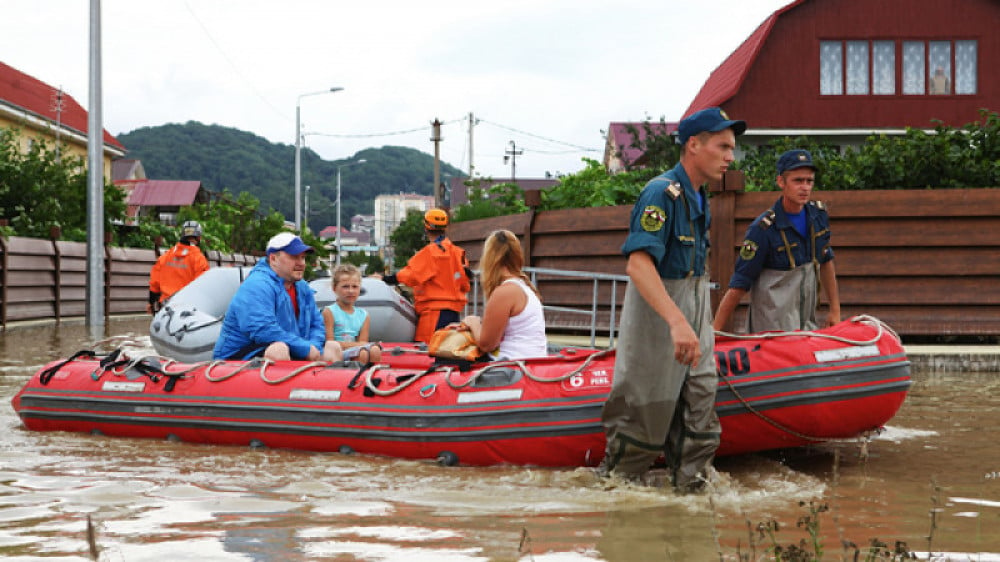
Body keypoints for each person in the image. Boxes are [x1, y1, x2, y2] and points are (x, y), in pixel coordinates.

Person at [599, 106, 745, 492]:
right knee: (642, 423)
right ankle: (616, 499)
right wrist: (677, 321)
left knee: (700, 410)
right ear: (694, 145)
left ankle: (690, 507)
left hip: (695, 317)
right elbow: (639, 265)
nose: (731, 156)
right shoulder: (661, 194)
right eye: (723, 146)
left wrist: (698, 325)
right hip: (658, 325)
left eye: (733, 148)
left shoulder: (700, 200)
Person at [713, 149, 841, 333]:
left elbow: (826, 260)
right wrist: (715, 331)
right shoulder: (762, 229)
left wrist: (835, 311)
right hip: (770, 331)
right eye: (798, 181)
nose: (805, 187)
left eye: (809, 181)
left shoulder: (818, 216)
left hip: (806, 325)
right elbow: (739, 284)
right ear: (781, 182)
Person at [213, 232, 342, 362]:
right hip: (240, 356)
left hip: (290, 347)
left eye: (303, 257)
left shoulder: (302, 287)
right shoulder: (257, 284)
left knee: (333, 347)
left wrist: (314, 346)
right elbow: (263, 330)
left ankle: (320, 381)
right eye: (294, 257)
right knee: (278, 350)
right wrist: (305, 348)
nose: (301, 263)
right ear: (273, 259)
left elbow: (316, 323)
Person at [380, 208, 472, 344]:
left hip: (433, 313)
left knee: (428, 351)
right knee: (447, 349)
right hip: (453, 312)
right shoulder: (459, 254)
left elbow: (411, 275)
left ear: (426, 227)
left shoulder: (430, 252)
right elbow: (465, 284)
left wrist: (385, 279)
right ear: (445, 227)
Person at [458, 230, 547, 359]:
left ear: (489, 259)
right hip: (530, 364)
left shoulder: (505, 292)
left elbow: (487, 344)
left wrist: (473, 322)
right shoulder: (524, 287)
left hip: (509, 368)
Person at [322, 263, 383, 364]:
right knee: (363, 353)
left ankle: (372, 377)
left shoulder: (363, 315)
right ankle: (355, 378)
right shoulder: (329, 311)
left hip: (356, 349)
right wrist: (358, 345)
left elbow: (363, 342)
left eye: (355, 287)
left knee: (375, 351)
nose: (351, 291)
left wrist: (360, 345)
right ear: (334, 288)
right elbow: (330, 344)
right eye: (345, 287)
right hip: (337, 353)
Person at [147, 220, 210, 314]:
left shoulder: (166, 256)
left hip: (166, 307)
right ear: (199, 237)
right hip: (187, 309)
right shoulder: (199, 259)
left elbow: (154, 283)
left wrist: (151, 303)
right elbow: (202, 287)